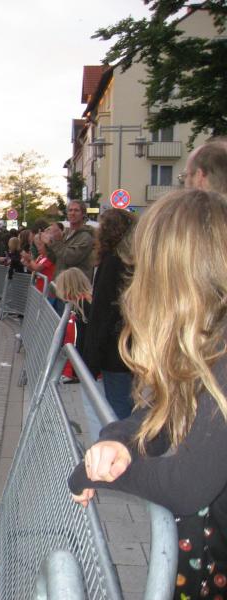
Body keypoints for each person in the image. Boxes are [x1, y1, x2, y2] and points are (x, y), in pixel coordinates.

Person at [69, 189, 227, 600]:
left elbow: (188, 484)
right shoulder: (208, 337)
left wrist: (104, 474)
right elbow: (166, 412)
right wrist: (119, 441)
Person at [83, 208, 137, 420]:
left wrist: (91, 359)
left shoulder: (112, 262)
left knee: (117, 405)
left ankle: (124, 441)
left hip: (114, 349)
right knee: (128, 400)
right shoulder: (133, 261)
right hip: (132, 344)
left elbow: (102, 313)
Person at [44, 200, 95, 281]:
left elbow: (70, 258)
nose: (72, 213)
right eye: (70, 210)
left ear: (83, 214)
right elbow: (55, 259)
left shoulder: (86, 237)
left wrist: (56, 243)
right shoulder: (66, 234)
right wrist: (48, 244)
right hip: (61, 283)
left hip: (76, 285)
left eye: (76, 210)